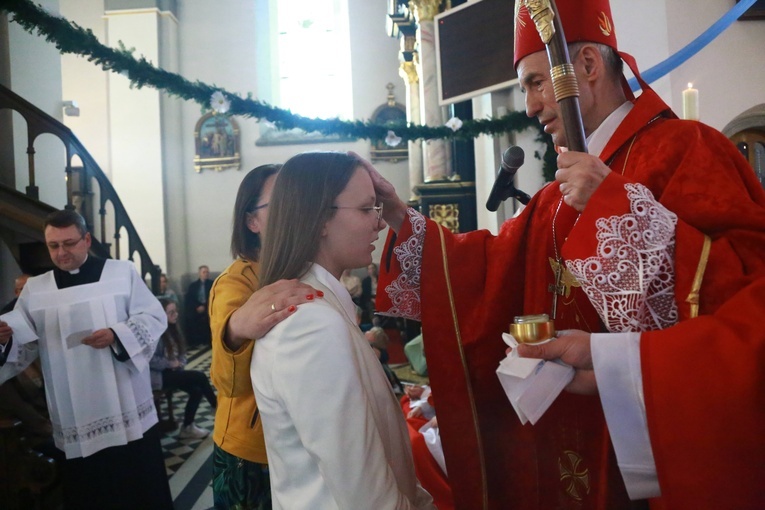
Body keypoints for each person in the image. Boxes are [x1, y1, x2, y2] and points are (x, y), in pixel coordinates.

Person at [366, 1, 765, 508]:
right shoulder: (561, 191)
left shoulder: (687, 150)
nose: (530, 105)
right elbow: (490, 269)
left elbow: (742, 292)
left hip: (655, 446)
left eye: (535, 82)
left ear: (589, 67)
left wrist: (617, 206)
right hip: (567, 439)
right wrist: (404, 219)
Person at [251, 151, 434, 509]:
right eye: (367, 209)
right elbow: (367, 498)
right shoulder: (311, 326)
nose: (379, 224)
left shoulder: (324, 308)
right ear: (320, 218)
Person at [0, 209, 173, 509]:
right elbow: (23, 344)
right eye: (53, 246)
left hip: (125, 404)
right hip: (74, 411)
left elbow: (153, 317)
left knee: (137, 489)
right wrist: (6, 338)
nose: (61, 252)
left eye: (69, 243)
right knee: (90, 493)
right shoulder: (36, 290)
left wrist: (117, 335)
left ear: (86, 240)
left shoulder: (121, 273)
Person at [209, 164, 322, 510]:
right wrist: (235, 330)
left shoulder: (307, 269)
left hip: (304, 437)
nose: (294, 213)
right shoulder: (235, 282)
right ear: (252, 222)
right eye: (280, 204)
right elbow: (228, 383)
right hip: (252, 449)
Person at [151, 298, 217, 439]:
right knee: (200, 376)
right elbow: (150, 360)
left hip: (174, 373)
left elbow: (182, 354)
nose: (176, 315)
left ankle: (187, 427)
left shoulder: (174, 329)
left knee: (197, 390)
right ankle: (216, 406)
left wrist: (180, 362)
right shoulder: (156, 334)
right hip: (159, 376)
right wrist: (170, 364)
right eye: (171, 312)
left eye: (176, 311)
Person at [185, 264, 213, 346]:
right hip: (196, 308)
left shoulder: (212, 284)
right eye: (204, 272)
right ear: (199, 273)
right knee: (190, 316)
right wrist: (197, 307)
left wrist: (204, 306)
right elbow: (190, 299)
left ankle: (208, 340)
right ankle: (194, 342)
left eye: (207, 272)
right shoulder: (193, 286)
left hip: (208, 307)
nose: (206, 274)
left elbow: (213, 297)